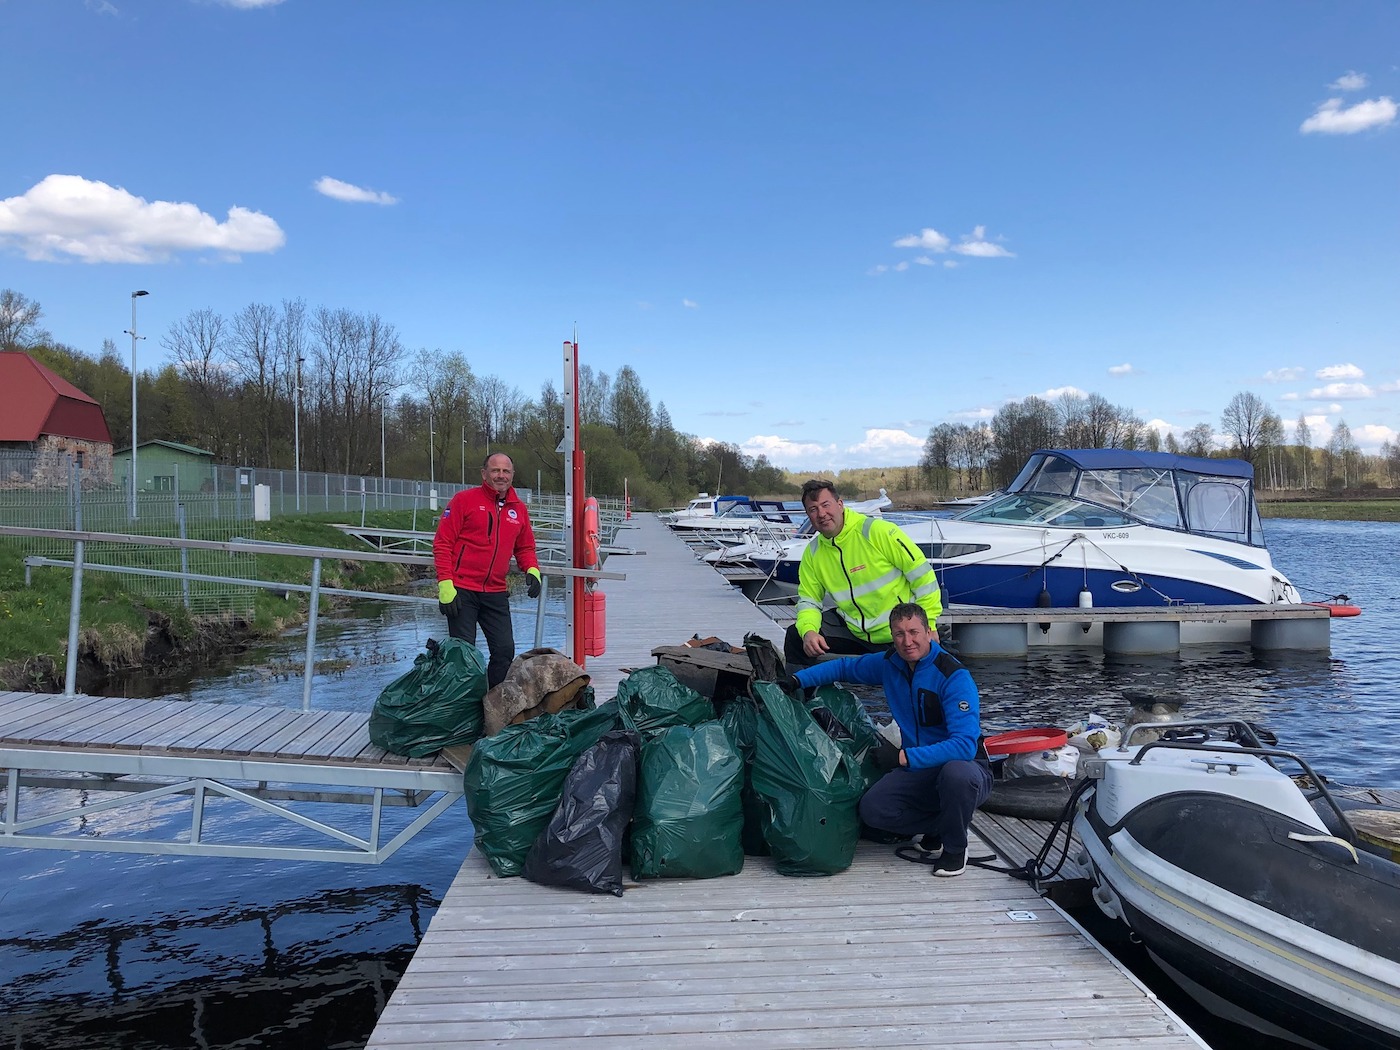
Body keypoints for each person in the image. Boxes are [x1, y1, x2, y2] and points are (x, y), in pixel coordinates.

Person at [783, 602, 991, 876]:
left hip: (967, 767)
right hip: (921, 767)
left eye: (914, 632)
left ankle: (955, 847)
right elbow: (844, 667)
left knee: (956, 774)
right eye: (900, 634)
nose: (908, 641)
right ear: (892, 637)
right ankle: (939, 825)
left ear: (929, 632)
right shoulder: (890, 664)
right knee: (873, 810)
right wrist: (796, 680)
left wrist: (902, 757)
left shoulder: (954, 676)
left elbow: (964, 745)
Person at [784, 478, 942, 669]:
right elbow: (809, 601)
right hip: (855, 632)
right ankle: (800, 696)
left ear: (840, 504)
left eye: (826, 505)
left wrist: (929, 625)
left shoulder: (877, 531)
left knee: (921, 682)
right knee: (796, 636)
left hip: (897, 634)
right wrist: (808, 631)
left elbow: (923, 578)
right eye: (813, 509)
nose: (822, 514)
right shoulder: (813, 552)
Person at [433, 452, 543, 689]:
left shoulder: (518, 509)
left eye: (505, 471)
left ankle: (493, 704)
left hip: (495, 591)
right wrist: (445, 584)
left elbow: (525, 547)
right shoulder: (464, 501)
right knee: (463, 654)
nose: (500, 475)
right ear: (484, 474)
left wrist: (532, 569)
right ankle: (463, 709)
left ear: (512, 475)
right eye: (495, 470)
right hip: (462, 590)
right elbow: (442, 543)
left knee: (504, 650)